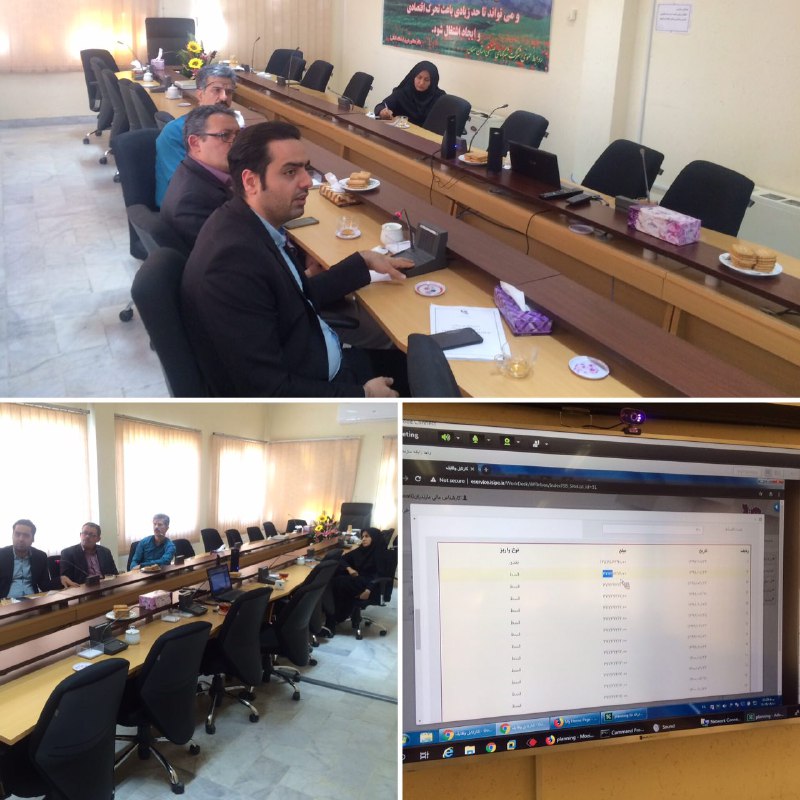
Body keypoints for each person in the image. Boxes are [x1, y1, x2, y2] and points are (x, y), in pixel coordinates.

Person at [181, 120, 413, 397]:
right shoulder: (231, 264)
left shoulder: (247, 224)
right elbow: (268, 389)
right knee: (418, 373)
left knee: (408, 357)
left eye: (305, 168)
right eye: (290, 172)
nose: (307, 182)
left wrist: (363, 261)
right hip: (318, 384)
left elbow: (295, 294)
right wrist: (363, 395)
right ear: (251, 181)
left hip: (312, 353)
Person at [155, 64, 239, 206]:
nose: (224, 97)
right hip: (186, 206)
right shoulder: (174, 132)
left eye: (229, 92)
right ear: (200, 94)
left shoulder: (234, 130)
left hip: (220, 197)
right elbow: (181, 184)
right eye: (216, 90)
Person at [160, 105, 239, 250]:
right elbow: (233, 251)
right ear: (195, 143)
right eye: (225, 135)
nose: (236, 144)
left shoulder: (192, 170)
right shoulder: (192, 201)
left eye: (238, 135)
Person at [325, 527, 382, 632]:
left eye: (367, 536)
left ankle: (334, 619)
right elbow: (342, 559)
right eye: (362, 536)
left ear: (374, 538)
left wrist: (368, 589)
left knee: (336, 583)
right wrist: (349, 568)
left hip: (370, 584)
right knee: (336, 578)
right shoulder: (361, 550)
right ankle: (336, 617)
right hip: (359, 579)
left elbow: (379, 574)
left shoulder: (380, 553)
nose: (363, 539)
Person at [374, 60, 445, 126]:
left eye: (426, 80)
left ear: (432, 82)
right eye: (419, 77)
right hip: (399, 132)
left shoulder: (439, 98)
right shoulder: (402, 92)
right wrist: (382, 111)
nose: (421, 83)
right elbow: (380, 106)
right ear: (413, 77)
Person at [0, 519, 52, 599]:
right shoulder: (1, 555)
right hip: (6, 602)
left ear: (33, 539)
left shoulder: (40, 556)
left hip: (33, 601)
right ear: (12, 535)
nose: (21, 539)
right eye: (17, 534)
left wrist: (60, 580)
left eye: (26, 535)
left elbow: (44, 584)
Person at [59, 522, 119, 588]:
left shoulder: (105, 552)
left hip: (106, 587)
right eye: (85, 533)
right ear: (80, 535)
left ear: (98, 539)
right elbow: (65, 579)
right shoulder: (67, 553)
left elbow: (114, 574)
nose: (87, 536)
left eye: (92, 535)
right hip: (83, 589)